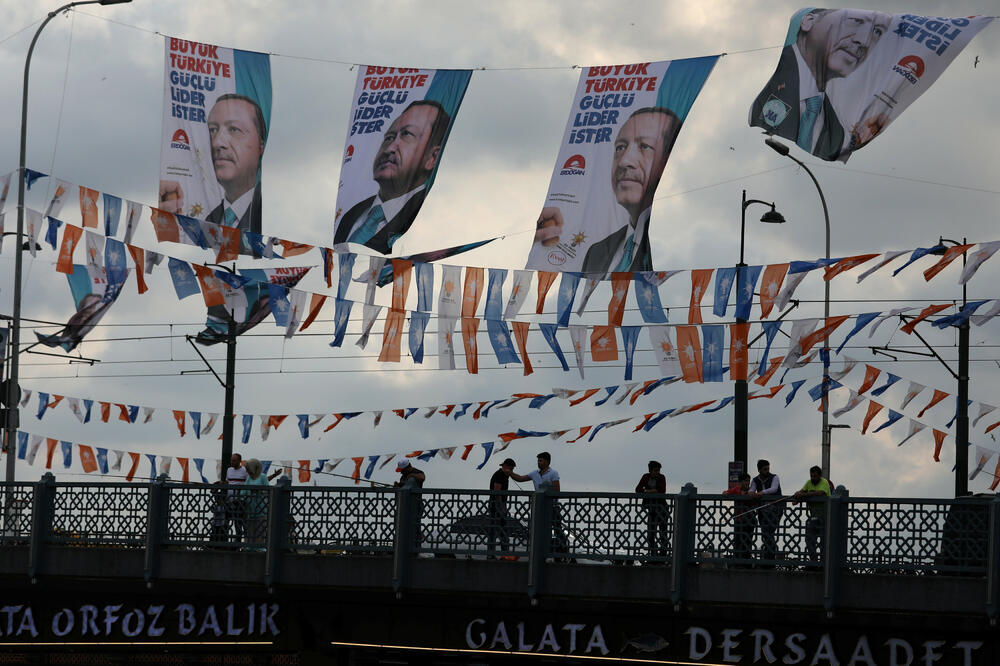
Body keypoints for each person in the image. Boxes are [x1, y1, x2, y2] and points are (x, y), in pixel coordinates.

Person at [749, 9, 890, 160]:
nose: (863, 40)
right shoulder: (782, 85)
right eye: (855, 22)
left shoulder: (836, 123)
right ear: (808, 21)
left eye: (877, 31)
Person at [334, 100, 451, 254]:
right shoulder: (351, 214)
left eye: (407, 135)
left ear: (432, 157)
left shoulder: (430, 220)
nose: (390, 148)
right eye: (389, 137)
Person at [160, 94, 267, 242]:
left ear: (261, 146)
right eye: (212, 130)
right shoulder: (206, 221)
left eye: (234, 129)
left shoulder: (277, 212)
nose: (217, 142)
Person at [508, 452, 568, 555]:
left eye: (541, 460)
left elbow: (557, 491)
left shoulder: (553, 473)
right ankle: (543, 550)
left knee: (557, 529)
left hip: (552, 506)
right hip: (540, 507)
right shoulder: (534, 473)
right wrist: (510, 473)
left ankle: (563, 549)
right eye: (538, 460)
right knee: (540, 529)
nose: (539, 463)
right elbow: (521, 478)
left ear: (547, 462)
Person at [794, 465, 832, 562]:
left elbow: (820, 493)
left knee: (824, 542)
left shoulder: (824, 482)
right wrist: (798, 495)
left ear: (820, 476)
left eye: (815, 476)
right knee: (809, 540)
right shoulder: (808, 482)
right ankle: (813, 562)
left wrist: (803, 495)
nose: (813, 478)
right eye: (811, 476)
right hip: (814, 517)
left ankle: (823, 563)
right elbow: (802, 491)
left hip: (825, 517)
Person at [748, 459, 784, 563]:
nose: (767, 471)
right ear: (759, 470)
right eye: (764, 469)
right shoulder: (755, 480)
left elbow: (774, 489)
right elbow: (751, 490)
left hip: (775, 509)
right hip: (763, 511)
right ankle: (768, 557)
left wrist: (761, 492)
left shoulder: (775, 477)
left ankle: (770, 558)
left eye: (768, 468)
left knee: (769, 533)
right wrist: (751, 493)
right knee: (766, 533)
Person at [634, 460, 668, 561]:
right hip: (652, 509)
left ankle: (663, 556)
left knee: (663, 533)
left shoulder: (662, 477)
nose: (657, 472)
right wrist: (650, 491)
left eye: (658, 470)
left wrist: (647, 491)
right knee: (651, 533)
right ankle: (653, 555)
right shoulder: (645, 477)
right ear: (650, 471)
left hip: (662, 509)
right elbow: (638, 489)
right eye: (655, 470)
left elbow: (661, 490)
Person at [487, 458, 517, 560]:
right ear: (506, 467)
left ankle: (502, 553)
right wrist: (502, 507)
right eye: (511, 469)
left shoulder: (505, 476)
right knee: (497, 530)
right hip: (496, 506)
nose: (511, 471)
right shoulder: (499, 475)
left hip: (498, 505)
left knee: (500, 529)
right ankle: (496, 554)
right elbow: (497, 492)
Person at [723, 473, 754, 562]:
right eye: (745, 481)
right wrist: (726, 493)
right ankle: (738, 560)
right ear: (740, 482)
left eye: (748, 481)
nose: (747, 483)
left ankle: (746, 560)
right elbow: (726, 492)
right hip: (739, 520)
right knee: (738, 540)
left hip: (749, 519)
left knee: (748, 541)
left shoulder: (751, 490)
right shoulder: (737, 489)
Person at [394, 459, 426, 542]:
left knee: (415, 526)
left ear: (407, 468)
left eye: (402, 470)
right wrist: (398, 486)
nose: (401, 472)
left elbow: (422, 477)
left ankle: (417, 544)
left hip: (416, 505)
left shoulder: (417, 472)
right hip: (404, 506)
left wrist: (412, 476)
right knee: (403, 526)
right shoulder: (403, 476)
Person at [225, 453, 249, 544]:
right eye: (232, 460)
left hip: (240, 501)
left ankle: (243, 542)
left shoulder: (244, 470)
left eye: (234, 460)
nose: (232, 462)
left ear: (239, 461)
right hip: (229, 500)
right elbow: (228, 482)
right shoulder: (229, 470)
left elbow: (248, 484)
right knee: (229, 521)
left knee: (240, 522)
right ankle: (231, 542)